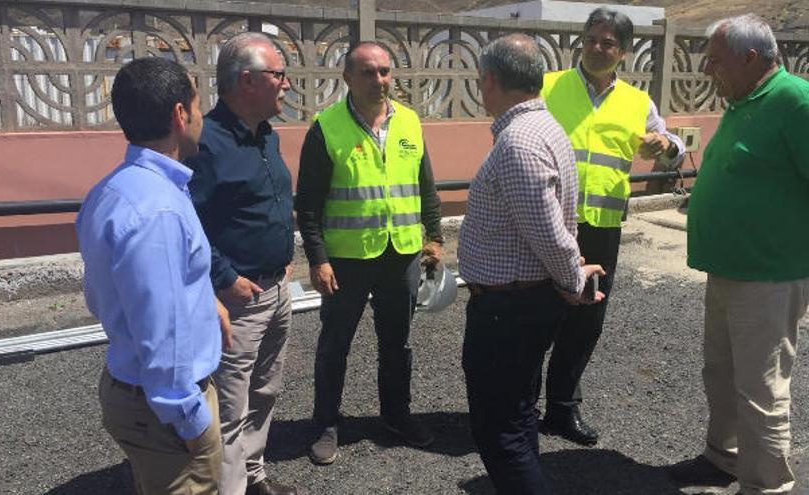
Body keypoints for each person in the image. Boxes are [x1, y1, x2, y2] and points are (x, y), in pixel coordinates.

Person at [671, 14, 809, 495]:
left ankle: (766, 486)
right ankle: (724, 459)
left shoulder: (797, 101)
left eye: (716, 61)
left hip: (771, 274)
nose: (709, 71)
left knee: (761, 391)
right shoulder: (745, 99)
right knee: (721, 374)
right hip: (733, 267)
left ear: (750, 57)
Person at [459, 34, 606, 494]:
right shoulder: (545, 128)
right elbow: (560, 221)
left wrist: (571, 280)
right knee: (518, 413)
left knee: (499, 429)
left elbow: (547, 230)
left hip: (509, 308)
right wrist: (568, 277)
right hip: (522, 301)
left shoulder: (519, 141)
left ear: (489, 80)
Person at [77, 57, 230, 494]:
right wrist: (191, 421)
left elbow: (102, 294)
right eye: (198, 105)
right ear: (180, 115)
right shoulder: (157, 210)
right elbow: (161, 333)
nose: (202, 115)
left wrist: (205, 302)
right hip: (165, 409)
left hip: (139, 396)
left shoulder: (115, 188)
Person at [538, 6, 686, 446]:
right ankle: (519, 406)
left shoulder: (637, 102)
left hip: (601, 227)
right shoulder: (549, 87)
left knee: (585, 318)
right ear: (580, 42)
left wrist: (667, 145)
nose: (598, 48)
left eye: (608, 43)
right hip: (550, 222)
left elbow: (672, 149)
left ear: (623, 52)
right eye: (591, 39)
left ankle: (562, 409)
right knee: (537, 314)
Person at [294, 41, 444, 465]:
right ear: (347, 78)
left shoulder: (410, 122)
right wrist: (318, 258)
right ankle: (325, 422)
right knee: (334, 344)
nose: (379, 80)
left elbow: (425, 187)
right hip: (346, 260)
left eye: (384, 71)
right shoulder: (327, 128)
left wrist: (433, 237)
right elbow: (308, 204)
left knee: (397, 343)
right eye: (368, 72)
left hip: (402, 255)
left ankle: (396, 416)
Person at [185, 32, 297, 495]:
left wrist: (282, 258)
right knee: (230, 407)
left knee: (265, 392)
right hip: (238, 300)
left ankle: (253, 478)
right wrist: (224, 278)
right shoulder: (206, 143)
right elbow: (188, 223)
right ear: (247, 81)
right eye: (279, 75)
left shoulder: (265, 136)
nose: (287, 85)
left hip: (277, 289)